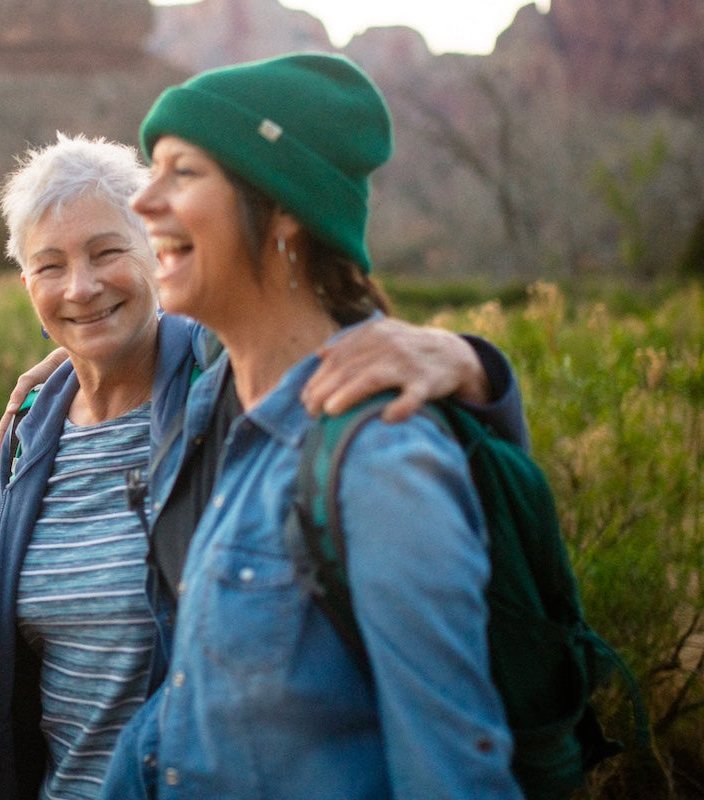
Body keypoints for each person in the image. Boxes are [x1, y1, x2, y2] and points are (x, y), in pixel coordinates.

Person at [0, 133, 524, 800]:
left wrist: (467, 364)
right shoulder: (31, 429)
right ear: (26, 286)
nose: (81, 286)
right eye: (50, 267)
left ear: (158, 254)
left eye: (107, 253)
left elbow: (304, 324)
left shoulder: (221, 388)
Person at [100, 54, 525, 798]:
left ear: (287, 208)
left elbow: (453, 771)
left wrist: (469, 362)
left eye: (183, 172)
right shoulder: (213, 409)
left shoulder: (380, 461)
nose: (142, 201)